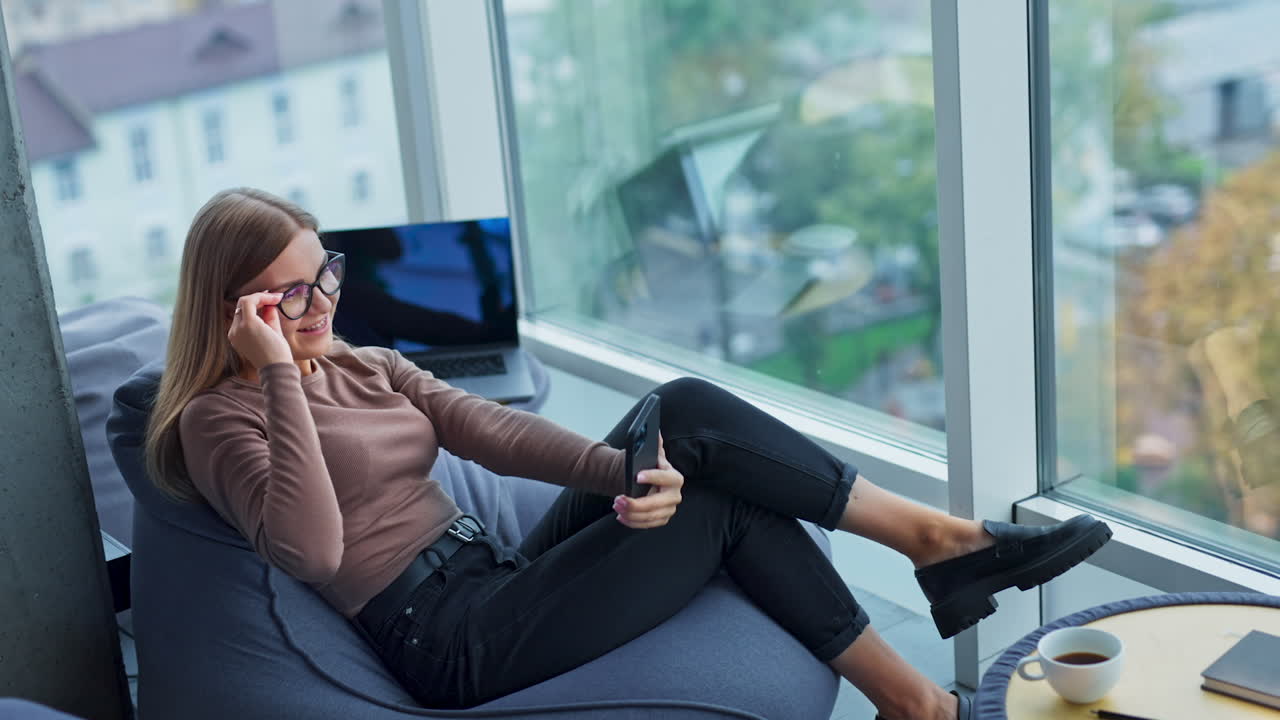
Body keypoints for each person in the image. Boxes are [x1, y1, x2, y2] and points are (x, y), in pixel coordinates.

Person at [145, 188, 1112, 720]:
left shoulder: (365, 363)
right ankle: (918, 687)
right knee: (726, 504)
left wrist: (629, 478)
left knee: (681, 414)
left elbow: (494, 432)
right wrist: (276, 373)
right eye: (290, 297)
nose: (324, 306)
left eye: (327, 276)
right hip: (444, 641)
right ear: (234, 309)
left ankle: (932, 551)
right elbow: (309, 551)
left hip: (496, 571)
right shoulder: (218, 421)